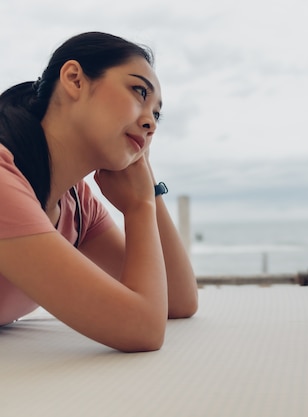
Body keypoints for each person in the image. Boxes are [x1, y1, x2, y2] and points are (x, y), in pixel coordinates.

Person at [0, 32, 198, 352]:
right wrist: (138, 209)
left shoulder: (76, 202)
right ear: (75, 79)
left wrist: (146, 193)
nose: (151, 123)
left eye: (157, 114)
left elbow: (179, 301)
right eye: (139, 92)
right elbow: (141, 329)